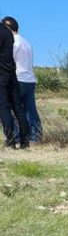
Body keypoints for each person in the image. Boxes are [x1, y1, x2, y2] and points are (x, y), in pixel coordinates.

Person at [1, 18, 41, 143]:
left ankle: (15, 137)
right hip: (29, 79)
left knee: (10, 109)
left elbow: (7, 61)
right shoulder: (26, 42)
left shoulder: (12, 42)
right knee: (30, 109)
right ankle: (35, 136)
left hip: (17, 78)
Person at [0, 18, 29, 150]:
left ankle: (11, 142)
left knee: (4, 108)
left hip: (1, 74)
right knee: (18, 108)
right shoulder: (7, 31)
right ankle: (25, 141)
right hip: (11, 73)